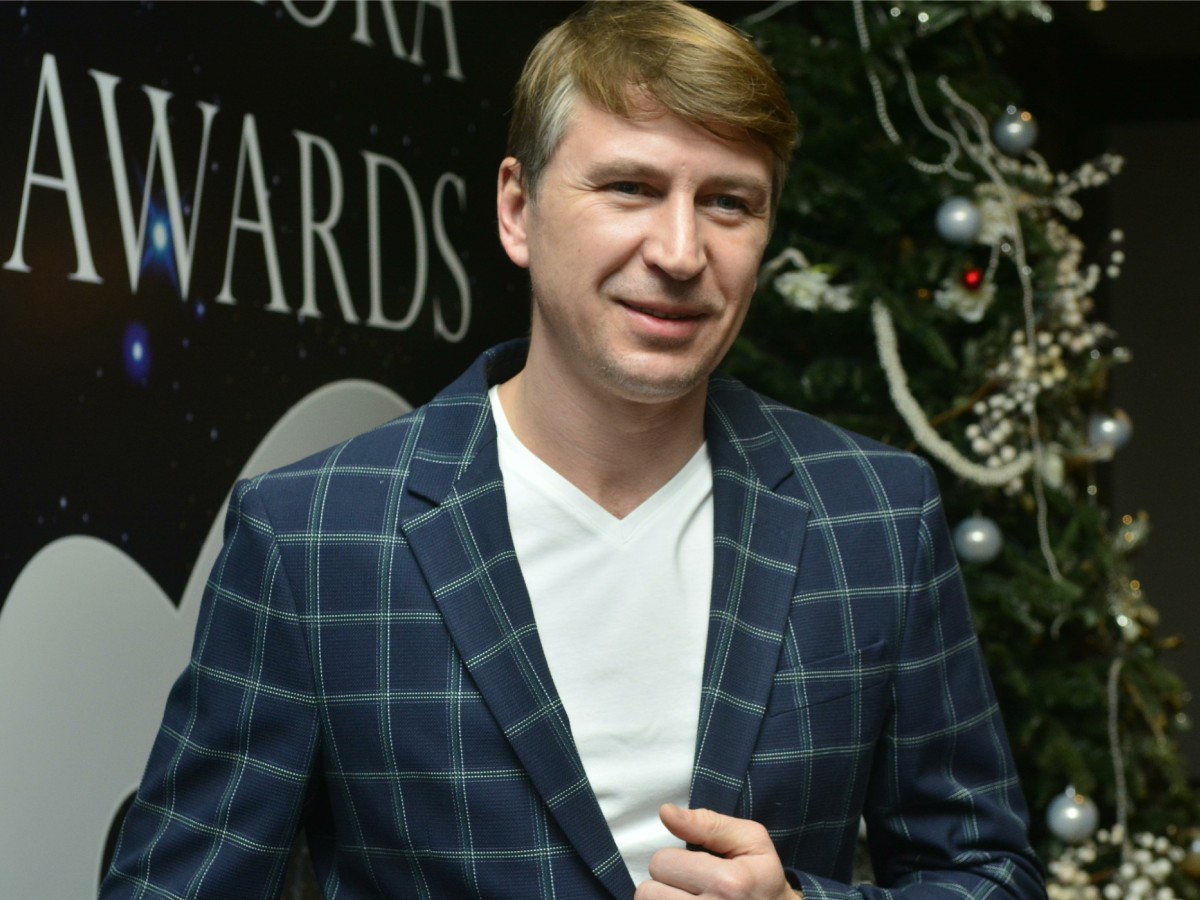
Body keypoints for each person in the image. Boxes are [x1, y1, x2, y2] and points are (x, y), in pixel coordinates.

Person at [101, 2, 1046, 898]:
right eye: (630, 188)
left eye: (729, 203)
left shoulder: (875, 514)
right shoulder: (313, 536)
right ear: (518, 209)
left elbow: (990, 872)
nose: (680, 252)